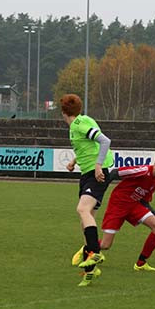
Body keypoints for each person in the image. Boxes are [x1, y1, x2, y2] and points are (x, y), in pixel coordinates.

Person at [60, 94, 114, 286]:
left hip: (96, 173)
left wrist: (99, 166)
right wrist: (74, 161)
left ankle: (95, 253)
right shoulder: (84, 121)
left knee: (82, 209)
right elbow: (87, 146)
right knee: (86, 219)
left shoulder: (78, 124)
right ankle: (91, 271)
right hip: (87, 173)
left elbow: (105, 141)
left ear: (63, 112)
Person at [97, 151, 155, 280]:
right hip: (118, 204)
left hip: (134, 205)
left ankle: (140, 263)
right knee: (105, 245)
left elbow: (144, 200)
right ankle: (88, 247)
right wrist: (99, 192)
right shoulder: (142, 171)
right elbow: (115, 173)